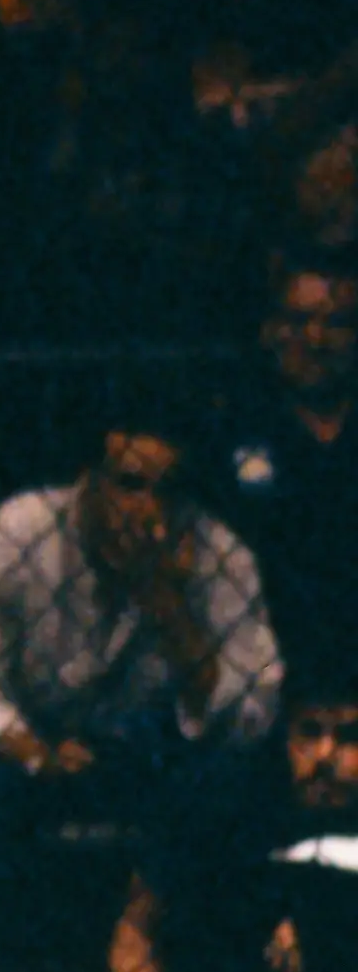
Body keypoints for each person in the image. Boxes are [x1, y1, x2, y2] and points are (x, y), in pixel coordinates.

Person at [0, 395, 282, 972]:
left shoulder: (220, 556)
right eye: (129, 485)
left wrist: (169, 607)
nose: (149, 510)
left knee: (232, 776)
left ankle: (145, 932)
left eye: (166, 489)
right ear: (87, 482)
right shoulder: (10, 535)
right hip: (30, 742)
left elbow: (251, 713)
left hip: (147, 750)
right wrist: (34, 751)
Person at [210, 247, 357, 695]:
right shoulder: (230, 425)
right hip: (261, 660)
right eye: (297, 319)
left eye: (336, 323)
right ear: (269, 330)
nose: (314, 338)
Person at [256, 672, 358, 972]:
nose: (326, 754)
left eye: (348, 736)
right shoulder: (245, 815)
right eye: (310, 732)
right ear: (286, 739)